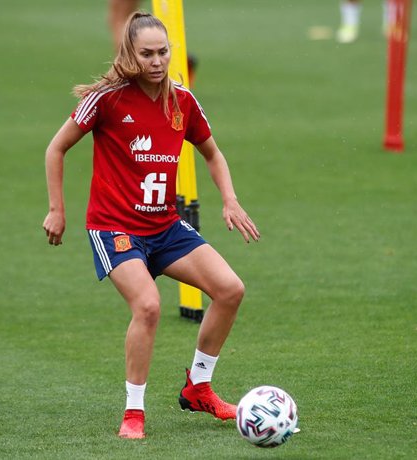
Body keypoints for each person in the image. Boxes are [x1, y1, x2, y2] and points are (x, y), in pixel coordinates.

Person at [42, 12, 260, 439]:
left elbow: (212, 154)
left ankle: (198, 387)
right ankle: (134, 412)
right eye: (147, 54)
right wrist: (57, 210)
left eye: (163, 52)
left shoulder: (183, 101)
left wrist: (230, 200)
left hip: (166, 227)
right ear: (129, 53)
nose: (157, 61)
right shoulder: (106, 99)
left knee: (231, 289)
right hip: (114, 228)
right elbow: (56, 148)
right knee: (148, 306)